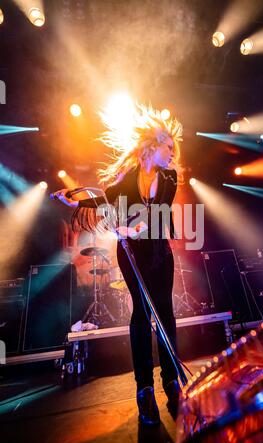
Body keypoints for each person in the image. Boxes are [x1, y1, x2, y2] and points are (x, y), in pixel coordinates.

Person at [55, 104, 183, 425]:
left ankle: (170, 380)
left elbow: (161, 212)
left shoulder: (170, 176)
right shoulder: (128, 177)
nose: (173, 154)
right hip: (132, 255)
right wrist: (76, 199)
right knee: (141, 312)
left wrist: (139, 226)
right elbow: (106, 198)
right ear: (153, 145)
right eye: (169, 147)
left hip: (159, 253)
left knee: (164, 311)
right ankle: (144, 389)